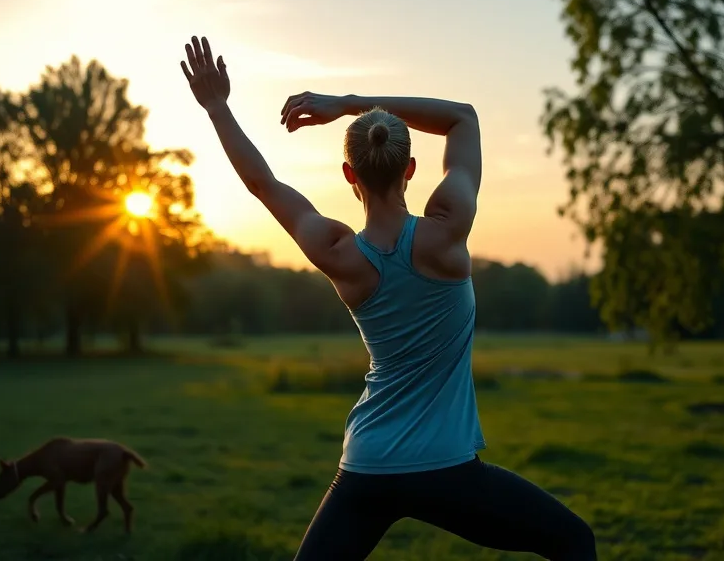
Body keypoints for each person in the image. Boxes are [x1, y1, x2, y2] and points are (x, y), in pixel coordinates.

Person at [179, 35, 597, 560]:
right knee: (575, 542)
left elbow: (262, 183)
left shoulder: (340, 254)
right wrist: (351, 106)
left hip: (368, 466)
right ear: (411, 170)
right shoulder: (446, 233)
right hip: (447, 469)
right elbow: (464, 118)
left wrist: (217, 107)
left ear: (350, 176)